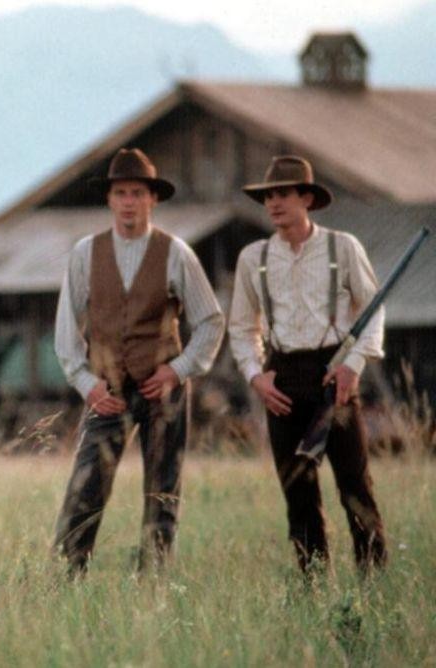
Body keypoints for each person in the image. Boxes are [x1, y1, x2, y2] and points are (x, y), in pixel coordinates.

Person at [52, 148, 224, 574]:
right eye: (121, 193)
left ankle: (154, 584)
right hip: (106, 391)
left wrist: (178, 370)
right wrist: (86, 383)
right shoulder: (85, 254)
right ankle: (65, 581)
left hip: (161, 389)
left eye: (137, 193)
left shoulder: (176, 253)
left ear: (153, 200)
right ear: (109, 200)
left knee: (162, 493)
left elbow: (210, 321)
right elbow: (65, 330)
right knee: (84, 490)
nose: (129, 201)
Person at [228, 155, 386, 577]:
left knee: (354, 486)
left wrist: (353, 366)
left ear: (307, 198)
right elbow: (242, 327)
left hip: (333, 370)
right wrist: (255, 376)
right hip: (281, 376)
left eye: (283, 194)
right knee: (297, 491)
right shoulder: (253, 258)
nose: (274, 203)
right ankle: (312, 584)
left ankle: (374, 582)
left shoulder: (342, 246)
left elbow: (373, 311)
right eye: (268, 196)